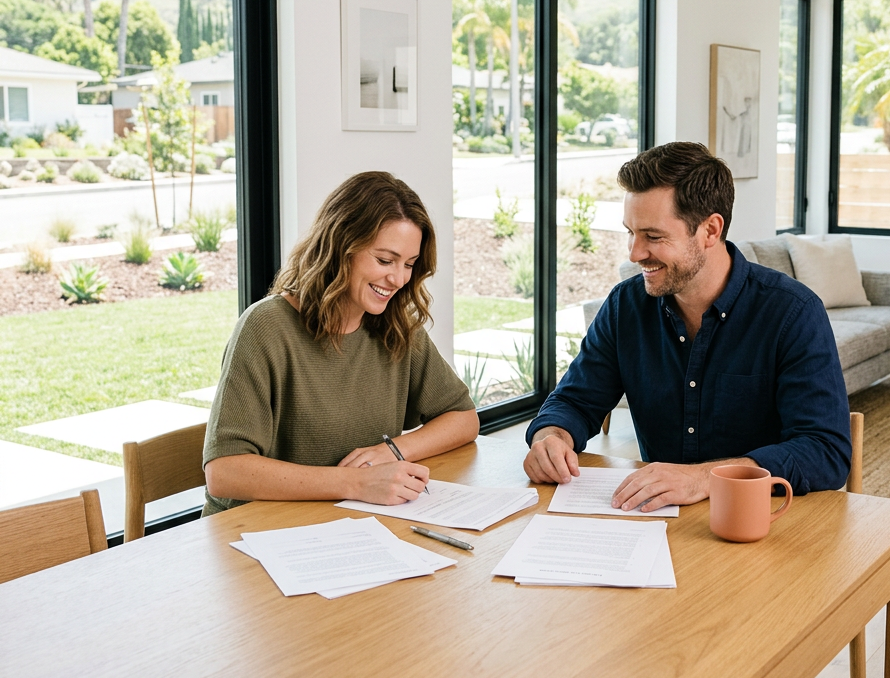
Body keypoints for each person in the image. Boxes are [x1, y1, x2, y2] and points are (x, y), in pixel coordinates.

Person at [524, 141, 851, 511]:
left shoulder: (793, 312)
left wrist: (705, 478)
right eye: (630, 232)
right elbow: (574, 400)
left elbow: (825, 451)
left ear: (711, 230)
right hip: (658, 522)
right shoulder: (624, 306)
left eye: (653, 236)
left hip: (767, 523)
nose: (634, 253)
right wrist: (552, 436)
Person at [203, 171, 479, 516]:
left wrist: (393, 451)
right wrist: (357, 483)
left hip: (346, 525)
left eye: (409, 264)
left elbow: (464, 418)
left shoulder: (394, 325)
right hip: (255, 534)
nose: (398, 279)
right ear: (340, 247)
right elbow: (224, 472)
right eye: (384, 260)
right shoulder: (266, 328)